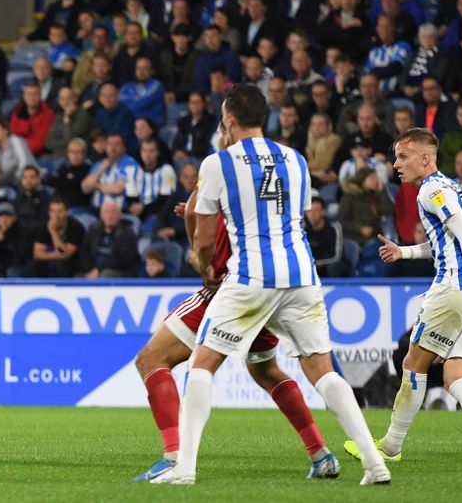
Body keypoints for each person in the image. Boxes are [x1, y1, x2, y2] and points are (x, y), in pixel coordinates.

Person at [152, 84, 389, 486]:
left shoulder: (217, 163)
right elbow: (292, 217)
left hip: (250, 277)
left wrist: (203, 265)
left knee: (201, 366)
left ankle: (184, 469)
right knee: (323, 371)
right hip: (301, 276)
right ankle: (373, 463)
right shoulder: (296, 159)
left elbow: (206, 237)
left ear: (228, 120)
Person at [136, 131, 339, 481]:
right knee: (265, 370)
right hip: (275, 286)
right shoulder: (280, 167)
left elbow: (198, 222)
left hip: (231, 288)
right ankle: (321, 453)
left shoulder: (220, 166)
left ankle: (174, 457)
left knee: (152, 359)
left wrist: (201, 258)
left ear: (230, 128)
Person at [345, 128, 462, 467]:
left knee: (412, 364)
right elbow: (447, 241)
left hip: (458, 289)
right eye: (395, 156)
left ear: (425, 158)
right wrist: (403, 253)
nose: (395, 164)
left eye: (403, 156)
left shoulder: (430, 190)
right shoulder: (449, 188)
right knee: (454, 375)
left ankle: (390, 446)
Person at [78, 200, 139, 278]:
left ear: (119, 215)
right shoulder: (94, 230)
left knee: (106, 275)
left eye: (113, 212)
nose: (110, 216)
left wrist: (98, 269)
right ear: (101, 215)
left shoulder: (127, 232)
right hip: (93, 269)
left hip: (118, 271)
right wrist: (88, 269)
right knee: (78, 276)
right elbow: (84, 252)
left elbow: (121, 259)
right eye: (106, 212)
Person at [0, 202, 31, 276]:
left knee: (12, 271)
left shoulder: (22, 231)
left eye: (8, 216)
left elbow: (21, 255)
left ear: (14, 218)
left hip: (17, 265)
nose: (4, 219)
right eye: (1, 216)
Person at [172, 92, 214, 160]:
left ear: (203, 104)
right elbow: (176, 141)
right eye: (192, 102)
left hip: (199, 158)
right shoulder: (183, 121)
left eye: (197, 102)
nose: (195, 105)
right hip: (182, 157)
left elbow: (206, 145)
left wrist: (187, 154)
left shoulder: (210, 121)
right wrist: (177, 151)